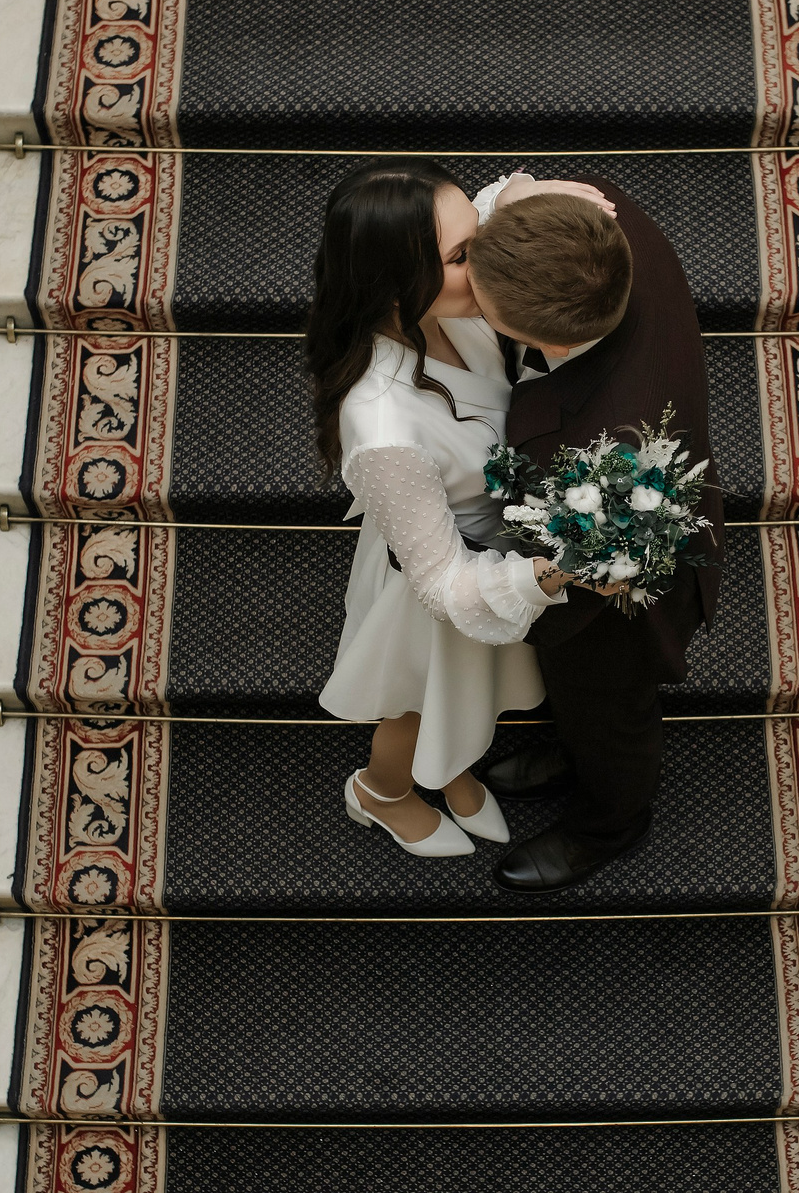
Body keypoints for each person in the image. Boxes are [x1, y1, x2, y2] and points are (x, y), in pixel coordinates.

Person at [308, 158, 618, 857]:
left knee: (471, 694)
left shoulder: (450, 302)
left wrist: (527, 197)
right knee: (418, 702)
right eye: (461, 257)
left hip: (492, 536)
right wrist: (547, 574)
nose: (487, 262)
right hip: (439, 576)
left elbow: (482, 202)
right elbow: (445, 584)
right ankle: (382, 792)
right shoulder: (383, 423)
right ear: (394, 285)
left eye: (476, 240)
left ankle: (450, 771)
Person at [469, 179, 723, 893]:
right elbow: (516, 203)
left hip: (615, 604)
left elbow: (599, 577)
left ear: (546, 339)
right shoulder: (600, 218)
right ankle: (566, 747)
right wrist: (517, 192)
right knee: (574, 707)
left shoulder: (606, 460)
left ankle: (609, 822)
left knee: (610, 707)